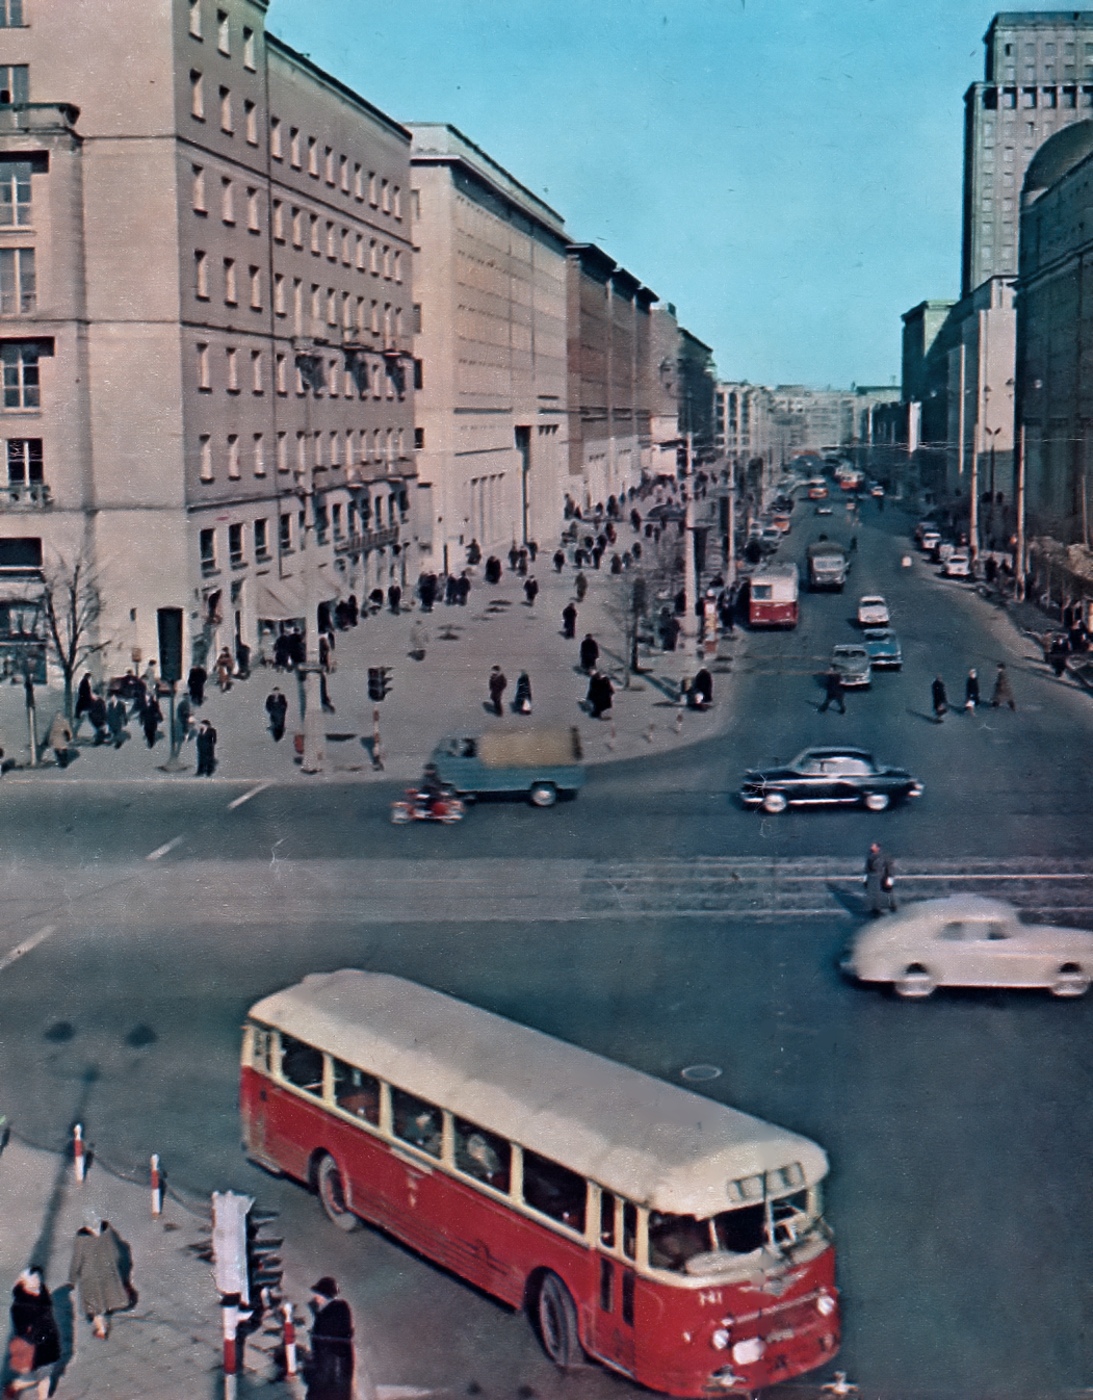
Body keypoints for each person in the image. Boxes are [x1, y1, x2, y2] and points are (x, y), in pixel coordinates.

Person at [68, 1209, 130, 1340]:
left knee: (94, 1304)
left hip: (89, 1275)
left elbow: (77, 1260)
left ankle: (101, 1329)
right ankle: (105, 1316)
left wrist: (72, 1278)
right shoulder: (107, 1233)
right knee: (105, 1296)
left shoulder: (82, 1239)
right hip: (107, 1270)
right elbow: (116, 1252)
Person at [8, 1267, 60, 1400]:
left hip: (49, 1344)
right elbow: (21, 1330)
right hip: (33, 1347)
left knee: (45, 1376)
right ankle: (16, 1385)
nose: (36, 1281)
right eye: (32, 1278)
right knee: (32, 1377)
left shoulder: (43, 1293)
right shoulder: (19, 1305)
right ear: (23, 1283)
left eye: (37, 1277)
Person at [305, 1277, 354, 1400]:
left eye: (317, 1294)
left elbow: (325, 1359)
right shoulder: (341, 1308)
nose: (315, 1297)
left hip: (330, 1372)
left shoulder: (326, 1317)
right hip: (340, 1371)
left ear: (323, 1296)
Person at [864, 841, 896, 916]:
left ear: (878, 847)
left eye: (873, 846)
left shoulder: (884, 856)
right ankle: (876, 908)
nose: (871, 847)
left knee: (887, 892)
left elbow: (889, 866)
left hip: (882, 876)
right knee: (874, 893)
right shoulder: (869, 856)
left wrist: (890, 877)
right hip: (872, 877)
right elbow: (867, 868)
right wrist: (865, 878)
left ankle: (892, 906)